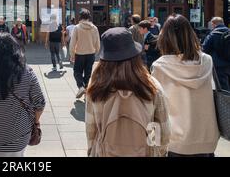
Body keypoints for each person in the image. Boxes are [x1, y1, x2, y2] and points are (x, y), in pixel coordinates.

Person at [85, 28, 170, 157]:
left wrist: (92, 151)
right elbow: (161, 128)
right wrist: (154, 150)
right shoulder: (151, 86)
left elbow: (91, 129)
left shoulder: (96, 87)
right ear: (135, 56)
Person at [152, 14, 220, 157]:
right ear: (190, 34)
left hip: (173, 140)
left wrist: (152, 139)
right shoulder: (207, 61)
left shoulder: (160, 66)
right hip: (205, 137)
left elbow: (154, 105)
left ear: (165, 37)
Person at [70, 9, 101, 99]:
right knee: (87, 73)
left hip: (79, 53)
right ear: (89, 17)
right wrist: (96, 51)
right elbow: (97, 42)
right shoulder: (94, 28)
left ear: (80, 17)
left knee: (77, 72)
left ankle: (81, 87)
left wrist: (72, 54)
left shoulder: (77, 27)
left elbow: (72, 43)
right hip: (91, 54)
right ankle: (86, 90)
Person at [202, 17, 230, 91]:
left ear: (213, 24)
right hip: (228, 63)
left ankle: (225, 101)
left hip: (219, 65)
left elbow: (204, 49)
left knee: (222, 86)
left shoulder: (213, 34)